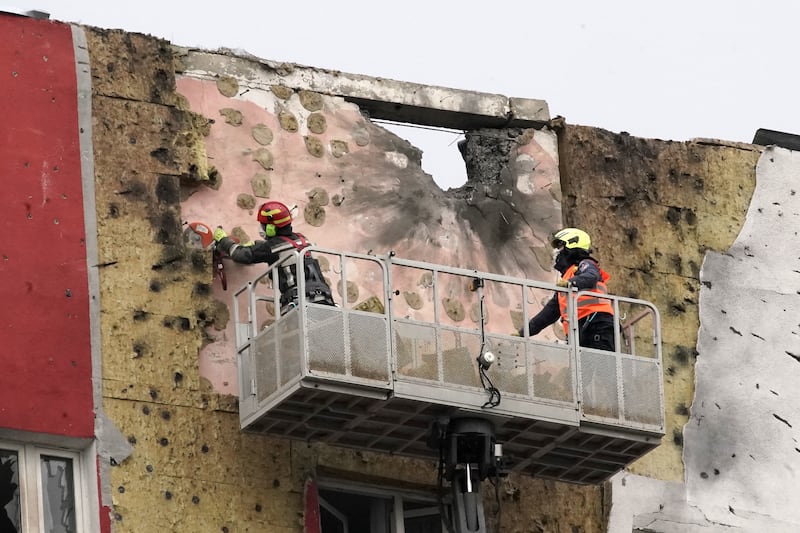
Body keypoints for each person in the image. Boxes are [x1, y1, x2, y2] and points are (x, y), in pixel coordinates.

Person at [213, 200, 334, 312]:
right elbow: (280, 247)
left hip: (299, 304)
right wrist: (256, 246)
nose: (261, 228)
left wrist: (223, 240)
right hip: (325, 301)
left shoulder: (272, 246)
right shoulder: (302, 239)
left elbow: (240, 255)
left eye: (263, 225)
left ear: (271, 228)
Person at [518, 228, 615, 351]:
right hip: (580, 331)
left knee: (602, 367)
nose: (557, 251)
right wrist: (523, 332)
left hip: (597, 325)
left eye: (560, 246)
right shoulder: (567, 280)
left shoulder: (585, 264)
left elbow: (592, 276)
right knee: (584, 369)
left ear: (572, 244)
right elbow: (548, 314)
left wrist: (571, 283)